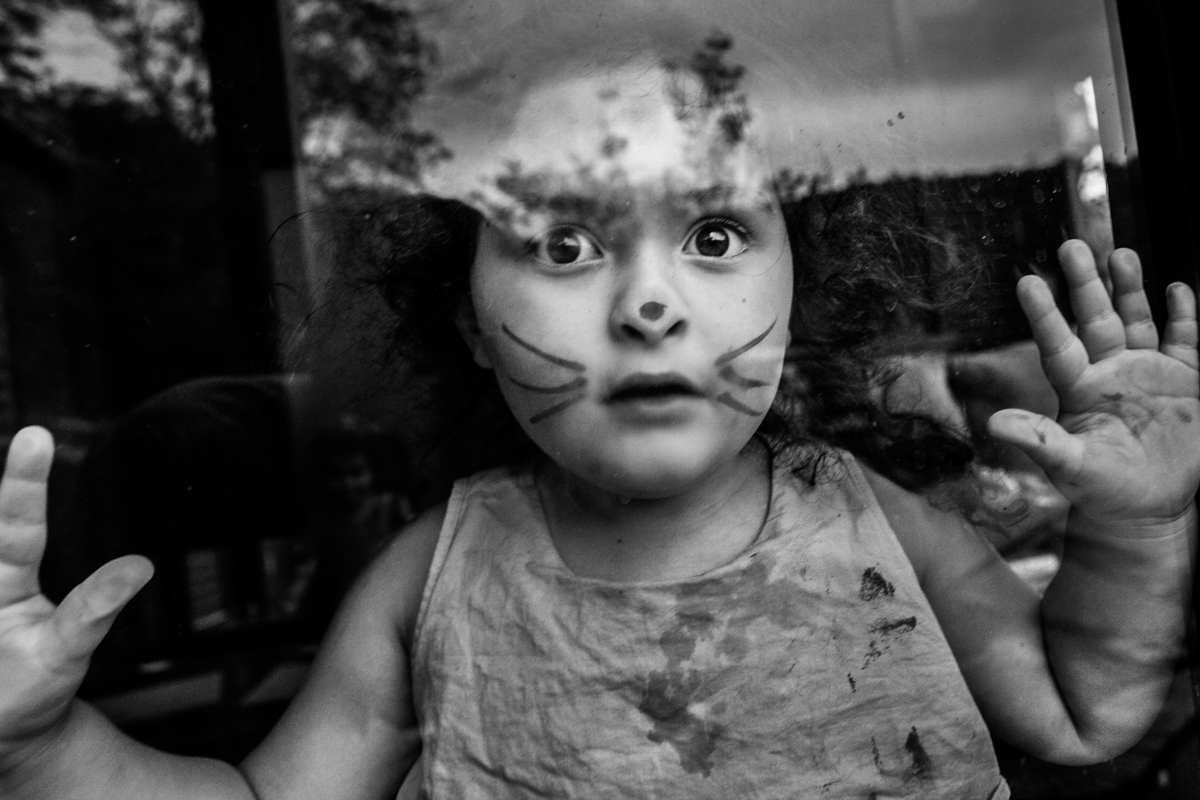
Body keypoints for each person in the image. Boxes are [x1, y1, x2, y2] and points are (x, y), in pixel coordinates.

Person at [1, 52, 1197, 800]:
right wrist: (43, 746)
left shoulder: (875, 526)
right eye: (563, 242)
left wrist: (1139, 528)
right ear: (467, 319)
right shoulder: (435, 574)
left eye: (714, 235)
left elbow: (1082, 711)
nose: (647, 302)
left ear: (800, 284)